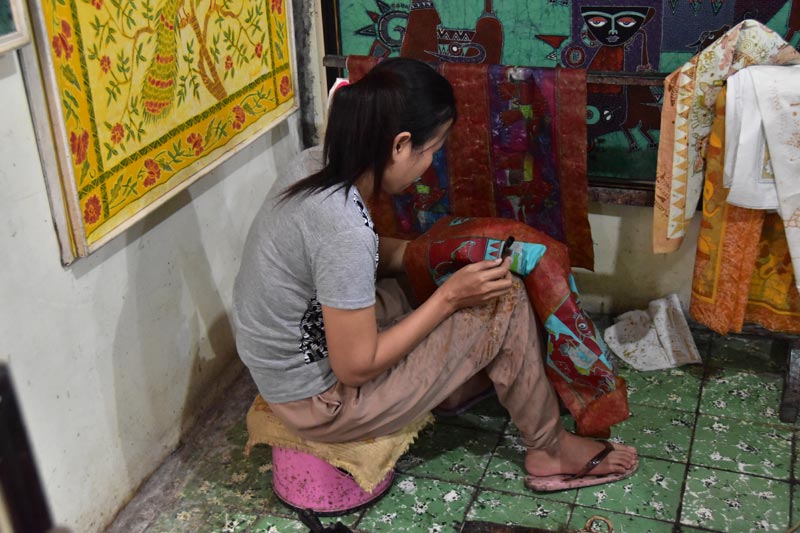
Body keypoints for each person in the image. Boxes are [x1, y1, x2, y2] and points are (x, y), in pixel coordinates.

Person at [232, 57, 637, 490]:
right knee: (504, 297)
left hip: (297, 356)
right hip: (322, 400)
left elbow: (354, 264)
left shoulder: (317, 163)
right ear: (401, 144)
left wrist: (430, 256)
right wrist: (450, 298)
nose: (432, 162)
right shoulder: (341, 226)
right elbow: (355, 365)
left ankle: (460, 383)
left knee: (438, 272)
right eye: (433, 149)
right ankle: (548, 448)